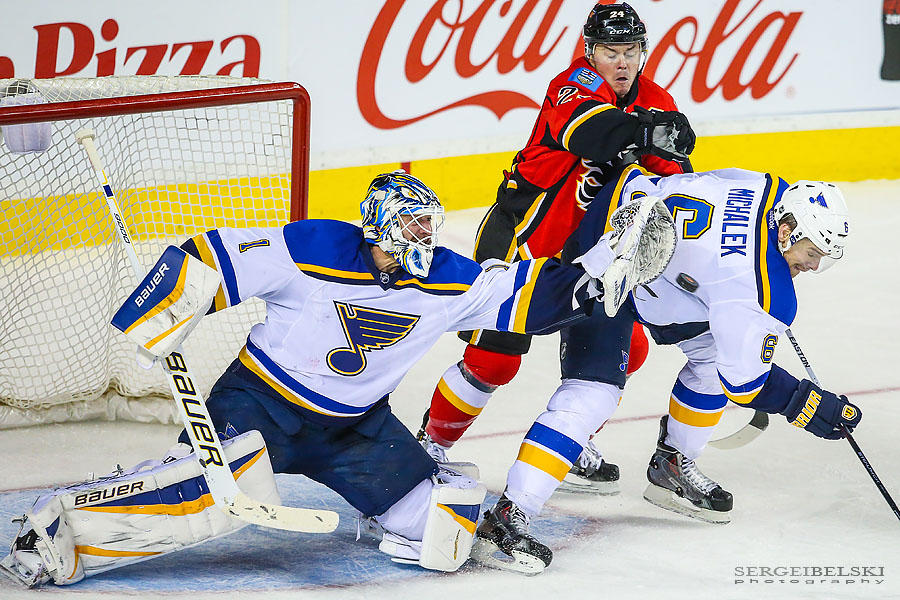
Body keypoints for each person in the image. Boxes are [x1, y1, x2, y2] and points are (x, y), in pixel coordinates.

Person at [0, 171, 675, 586]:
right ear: (380, 222)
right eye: (412, 225)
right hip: (260, 406)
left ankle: (394, 511)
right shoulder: (317, 247)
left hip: (357, 431)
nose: (424, 236)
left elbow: (521, 291)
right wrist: (170, 301)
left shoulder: (444, 277)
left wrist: (590, 284)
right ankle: (55, 529)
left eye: (429, 226)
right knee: (203, 502)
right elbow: (213, 254)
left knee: (443, 532)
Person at [470, 164, 863, 575]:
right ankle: (508, 518)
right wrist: (811, 404)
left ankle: (672, 464)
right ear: (786, 232)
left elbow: (692, 184)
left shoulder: (766, 185)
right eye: (812, 254)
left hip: (636, 223)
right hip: (607, 262)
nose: (813, 267)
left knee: (712, 358)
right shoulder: (760, 289)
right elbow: (745, 385)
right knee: (592, 395)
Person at [418, 2, 696, 495]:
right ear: (591, 51)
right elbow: (595, 132)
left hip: (593, 255)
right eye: (611, 51)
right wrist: (653, 131)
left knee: (623, 354)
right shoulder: (571, 85)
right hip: (521, 243)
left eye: (631, 50)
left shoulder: (656, 99)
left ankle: (570, 443)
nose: (623, 62)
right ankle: (430, 445)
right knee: (494, 362)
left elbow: (670, 185)